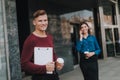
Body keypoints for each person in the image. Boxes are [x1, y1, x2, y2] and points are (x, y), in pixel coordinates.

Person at [21, 10, 64, 80]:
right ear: (34, 22)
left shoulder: (49, 37)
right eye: (40, 21)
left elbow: (52, 55)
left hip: (53, 76)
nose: (43, 23)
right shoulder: (30, 40)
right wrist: (44, 68)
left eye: (45, 20)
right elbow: (24, 64)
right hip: (39, 78)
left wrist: (57, 63)